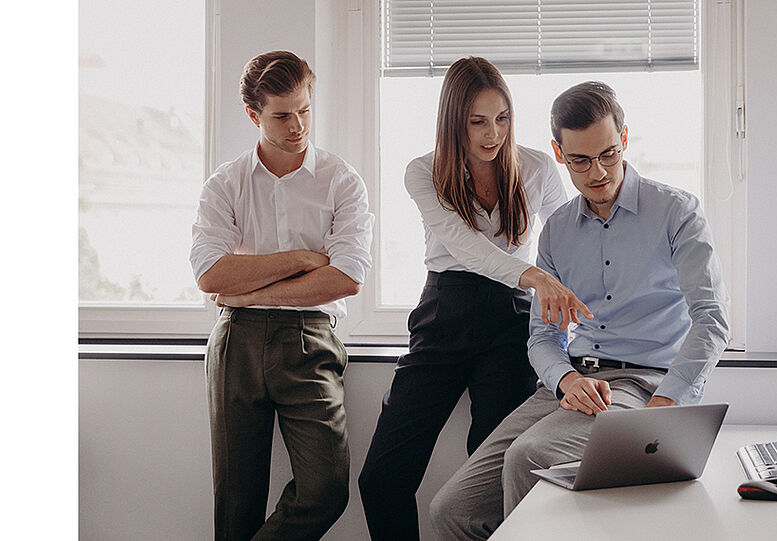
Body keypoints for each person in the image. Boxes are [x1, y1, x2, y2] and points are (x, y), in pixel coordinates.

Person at [429, 81, 730, 540]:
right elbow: (543, 337)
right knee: (451, 510)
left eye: (609, 154)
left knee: (529, 456)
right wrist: (565, 379)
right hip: (570, 384)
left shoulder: (677, 212)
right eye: (581, 160)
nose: (599, 173)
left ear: (624, 140)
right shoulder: (557, 231)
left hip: (641, 385)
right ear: (558, 153)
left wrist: (667, 404)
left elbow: (711, 316)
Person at [357, 57, 591, 541]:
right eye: (478, 121)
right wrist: (534, 276)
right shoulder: (422, 172)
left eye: (502, 118)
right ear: (452, 121)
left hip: (511, 324)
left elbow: (573, 238)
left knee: (492, 476)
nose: (493, 133)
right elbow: (465, 246)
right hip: (444, 313)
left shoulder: (536, 166)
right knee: (381, 477)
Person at [189, 50, 373, 541]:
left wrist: (247, 290)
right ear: (254, 115)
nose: (298, 125)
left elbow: (348, 277)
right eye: (282, 115)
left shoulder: (342, 180)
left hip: (310, 341)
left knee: (326, 489)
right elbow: (210, 274)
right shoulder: (225, 184)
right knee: (236, 502)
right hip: (236, 344)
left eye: (305, 110)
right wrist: (302, 257)